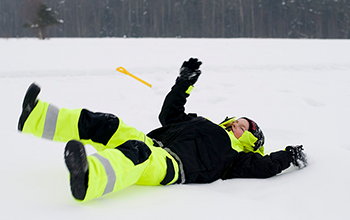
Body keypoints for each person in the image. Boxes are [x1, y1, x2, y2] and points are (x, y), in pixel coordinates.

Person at [18, 58, 307, 202]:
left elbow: (267, 166)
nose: (236, 125)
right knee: (109, 124)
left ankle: (88, 179)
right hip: (152, 141)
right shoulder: (201, 123)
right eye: (237, 120)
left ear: (251, 143)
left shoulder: (237, 158)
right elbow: (169, 114)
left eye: (244, 127)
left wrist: (289, 155)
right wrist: (184, 82)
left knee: (138, 153)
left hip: (169, 167)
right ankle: (36, 118)